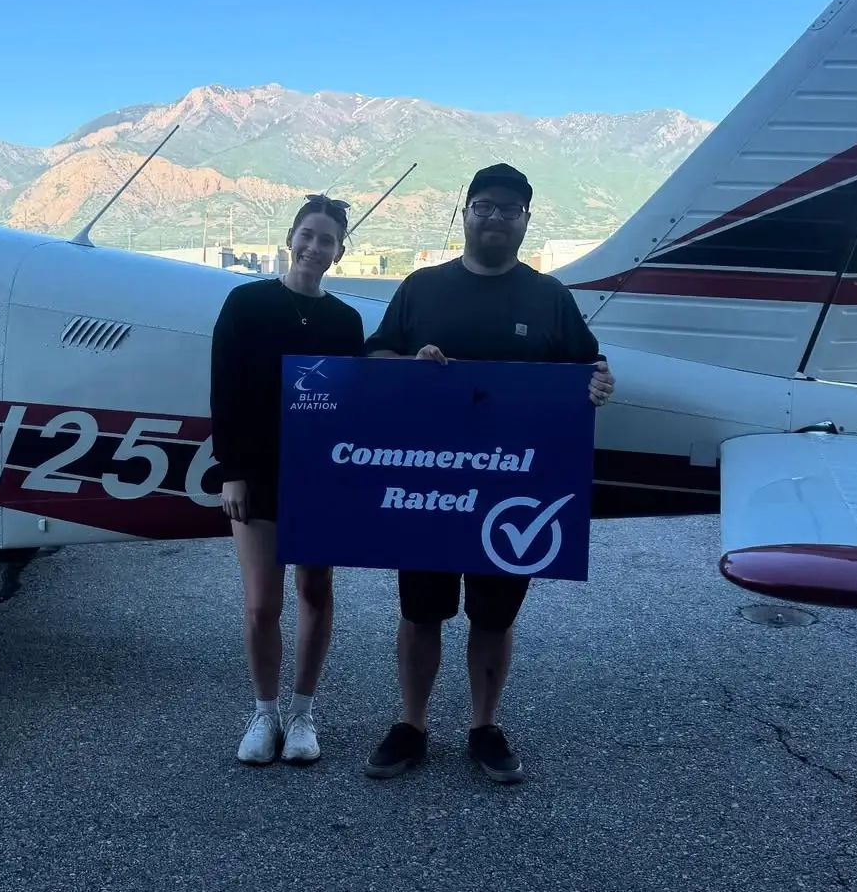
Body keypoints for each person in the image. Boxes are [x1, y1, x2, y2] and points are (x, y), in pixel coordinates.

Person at [360, 162, 615, 784]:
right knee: (421, 611)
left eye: (509, 208)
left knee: (494, 617)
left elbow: (588, 368)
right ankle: (412, 724)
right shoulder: (421, 287)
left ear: (526, 220)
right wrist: (408, 364)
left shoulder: (549, 297)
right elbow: (374, 357)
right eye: (484, 206)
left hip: (513, 488)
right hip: (429, 486)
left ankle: (484, 726)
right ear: (465, 213)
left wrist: (600, 383)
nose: (495, 217)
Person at [209, 194, 365, 766]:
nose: (314, 247)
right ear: (290, 238)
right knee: (260, 604)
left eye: (327, 240)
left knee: (316, 592)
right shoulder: (246, 304)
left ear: (340, 251)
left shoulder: (345, 322)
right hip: (256, 473)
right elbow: (224, 390)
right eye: (308, 234)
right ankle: (264, 712)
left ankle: (302, 713)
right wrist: (231, 472)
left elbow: (356, 399)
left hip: (319, 476)